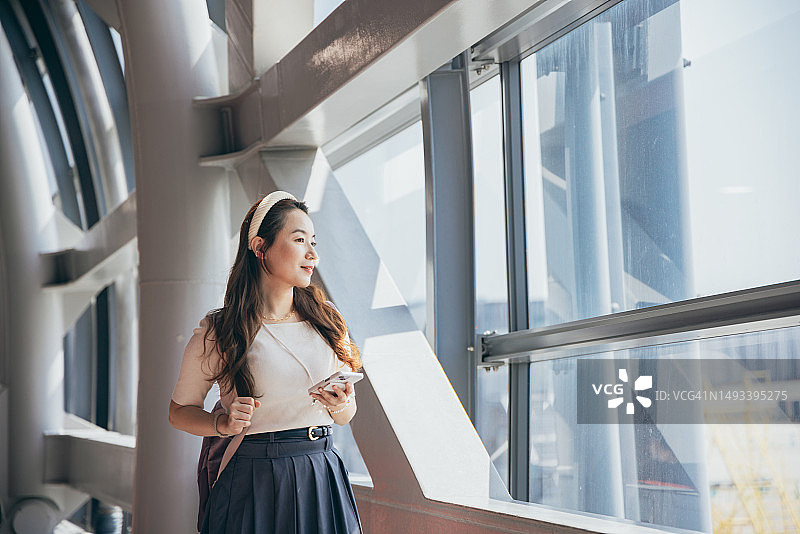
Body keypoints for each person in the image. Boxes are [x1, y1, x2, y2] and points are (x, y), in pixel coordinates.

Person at [168, 191, 363, 533]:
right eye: (299, 239)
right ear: (260, 247)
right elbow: (179, 410)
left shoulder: (327, 320)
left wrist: (341, 404)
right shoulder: (221, 330)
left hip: (322, 469)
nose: (312, 254)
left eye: (313, 242)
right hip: (254, 475)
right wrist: (223, 425)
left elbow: (346, 417)